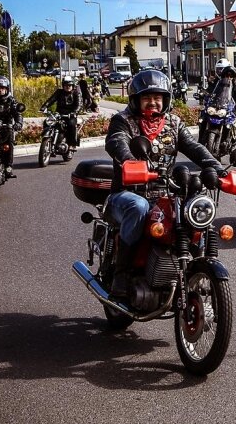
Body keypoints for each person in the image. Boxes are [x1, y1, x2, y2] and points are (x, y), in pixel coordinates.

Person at [104, 69, 225, 298]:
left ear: (165, 100)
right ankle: (122, 272)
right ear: (136, 100)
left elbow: (193, 147)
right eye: (146, 98)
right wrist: (131, 162)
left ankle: (194, 268)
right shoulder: (123, 121)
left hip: (165, 193)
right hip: (128, 192)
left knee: (196, 207)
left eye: (157, 98)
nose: (152, 103)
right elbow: (116, 143)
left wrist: (216, 167)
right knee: (138, 207)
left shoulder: (173, 123)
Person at [40, 75, 81, 149]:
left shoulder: (76, 93)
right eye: (65, 85)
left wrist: (74, 112)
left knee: (71, 124)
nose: (67, 86)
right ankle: (48, 136)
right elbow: (51, 100)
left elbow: (79, 105)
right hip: (59, 113)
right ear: (63, 85)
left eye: (69, 85)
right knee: (47, 122)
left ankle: (72, 144)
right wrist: (44, 107)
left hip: (70, 114)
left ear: (72, 85)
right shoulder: (59, 92)